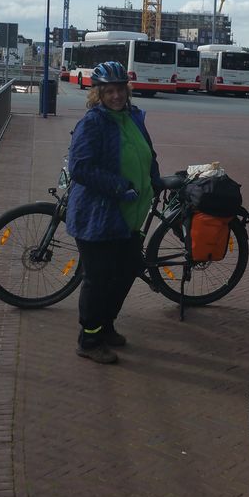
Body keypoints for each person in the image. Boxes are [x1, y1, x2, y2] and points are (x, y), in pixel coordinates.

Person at [66, 60, 160, 364]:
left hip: (129, 216)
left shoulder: (133, 117)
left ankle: (106, 325)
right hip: (98, 214)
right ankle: (89, 339)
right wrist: (118, 186)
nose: (116, 96)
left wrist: (156, 181)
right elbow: (80, 168)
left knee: (129, 268)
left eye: (120, 89)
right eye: (109, 91)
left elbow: (148, 154)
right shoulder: (93, 123)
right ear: (98, 94)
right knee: (98, 278)